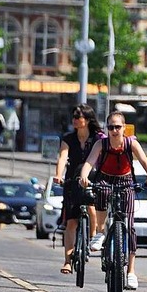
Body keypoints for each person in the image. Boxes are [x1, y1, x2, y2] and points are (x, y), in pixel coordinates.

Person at [79, 111, 147, 290]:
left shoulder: (131, 143)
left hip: (126, 181)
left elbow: (144, 161)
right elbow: (89, 163)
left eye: (118, 127)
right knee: (101, 193)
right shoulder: (102, 144)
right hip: (105, 179)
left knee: (129, 226)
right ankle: (100, 232)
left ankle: (130, 271)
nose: (114, 130)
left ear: (124, 128)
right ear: (107, 129)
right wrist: (83, 177)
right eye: (111, 127)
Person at [53, 103, 104, 274]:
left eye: (78, 117)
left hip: (92, 179)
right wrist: (59, 175)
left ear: (88, 120)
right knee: (71, 223)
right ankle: (67, 261)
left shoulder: (98, 138)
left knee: (91, 207)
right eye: (73, 117)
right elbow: (62, 157)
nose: (75, 120)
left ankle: (92, 237)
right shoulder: (68, 138)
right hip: (73, 181)